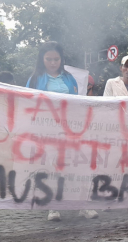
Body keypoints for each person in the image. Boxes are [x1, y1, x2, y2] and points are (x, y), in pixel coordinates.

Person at [25, 41, 98, 221]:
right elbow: (27, 104)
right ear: (42, 59)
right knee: (51, 168)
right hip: (46, 131)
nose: (52, 62)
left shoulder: (69, 78)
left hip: (70, 130)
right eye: (49, 59)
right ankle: (53, 206)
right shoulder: (34, 79)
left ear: (61, 59)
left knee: (77, 166)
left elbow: (77, 102)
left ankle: (82, 205)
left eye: (56, 59)